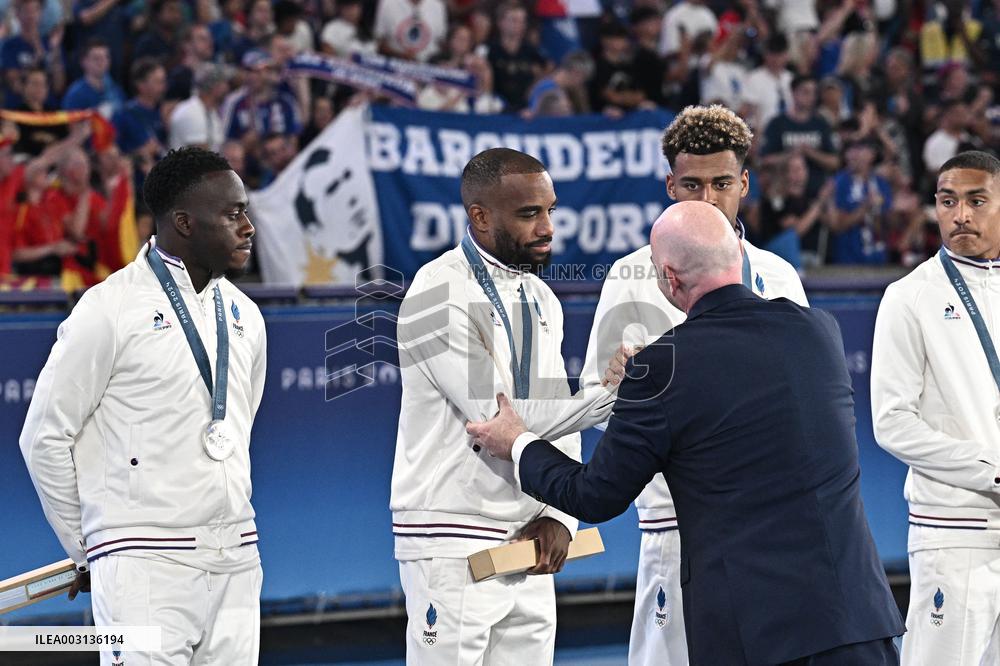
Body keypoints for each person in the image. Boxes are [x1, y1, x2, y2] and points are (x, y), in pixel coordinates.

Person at [467, 200, 905, 665]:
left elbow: (594, 495)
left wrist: (518, 442)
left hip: (754, 635)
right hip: (858, 620)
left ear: (671, 279)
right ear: (738, 253)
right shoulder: (820, 331)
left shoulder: (660, 367)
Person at [578, 103, 808, 666]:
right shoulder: (632, 276)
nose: (707, 200)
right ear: (669, 186)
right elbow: (592, 403)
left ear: (745, 184)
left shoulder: (777, 276)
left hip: (767, 527)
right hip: (676, 526)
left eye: (722, 183)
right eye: (692, 185)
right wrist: (617, 390)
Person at [19, 147, 265, 665]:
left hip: (237, 556)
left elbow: (235, 429)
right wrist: (89, 549)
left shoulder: (246, 317)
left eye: (245, 211)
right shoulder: (108, 310)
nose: (247, 227)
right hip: (144, 566)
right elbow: (43, 438)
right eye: (232, 213)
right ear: (184, 222)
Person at [392, 148, 621, 665]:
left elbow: (553, 416)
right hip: (453, 537)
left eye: (550, 211)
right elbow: (500, 418)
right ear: (480, 216)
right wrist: (607, 398)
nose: (547, 227)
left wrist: (560, 513)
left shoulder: (542, 298)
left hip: (530, 539)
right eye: (528, 214)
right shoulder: (437, 293)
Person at [872, 150, 1000, 665]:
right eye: (948, 201)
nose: (961, 214)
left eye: (976, 200)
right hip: (954, 532)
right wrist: (991, 473)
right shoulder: (910, 297)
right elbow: (892, 423)